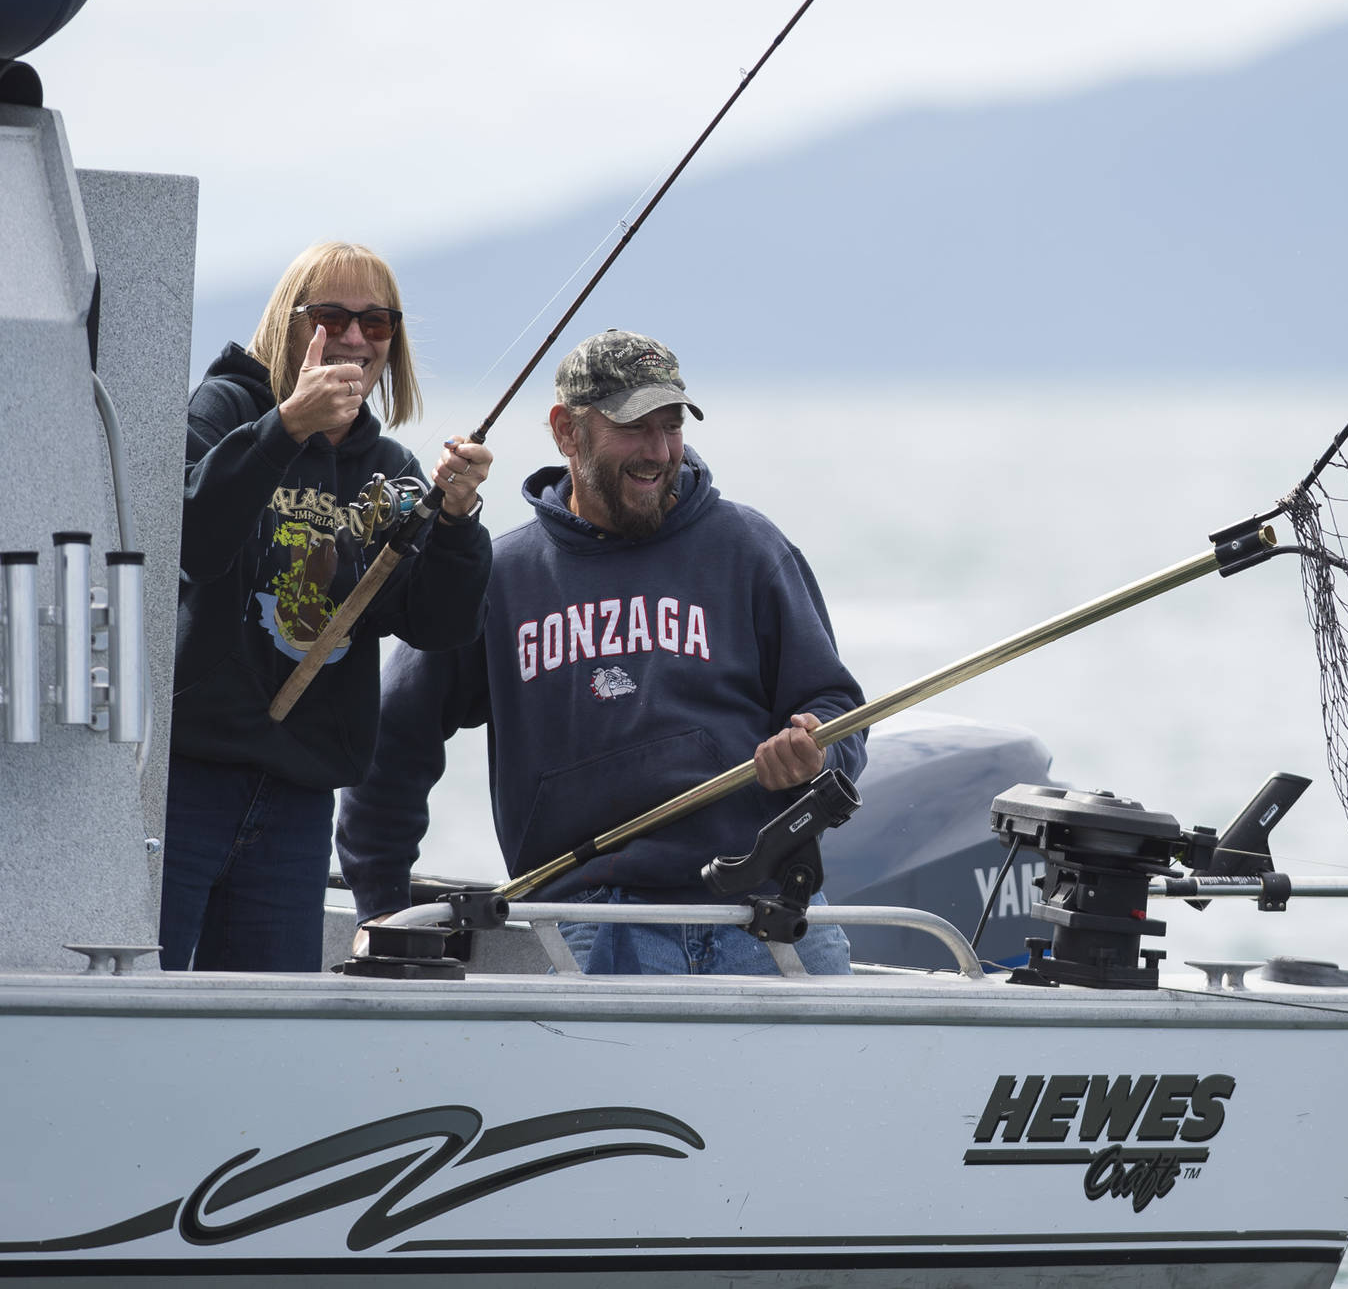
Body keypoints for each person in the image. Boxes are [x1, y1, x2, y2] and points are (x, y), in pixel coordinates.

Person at [336, 329, 866, 975]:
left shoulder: (750, 548)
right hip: (589, 923)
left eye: (670, 426)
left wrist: (816, 753)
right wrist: (383, 909)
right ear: (567, 431)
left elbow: (836, 707)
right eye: (633, 427)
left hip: (767, 910)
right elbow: (391, 739)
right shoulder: (500, 577)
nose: (658, 451)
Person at [163, 241, 494, 973]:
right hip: (185, 779)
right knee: (146, 999)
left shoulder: (392, 472)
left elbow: (439, 625)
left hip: (300, 793)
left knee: (266, 1021)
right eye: (330, 317)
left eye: (375, 323)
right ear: (289, 324)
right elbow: (192, 540)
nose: (353, 338)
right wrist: (286, 427)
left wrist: (458, 520)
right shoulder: (226, 408)